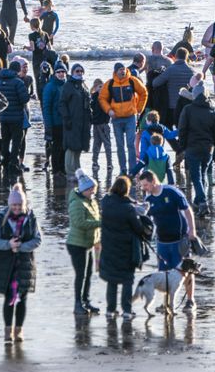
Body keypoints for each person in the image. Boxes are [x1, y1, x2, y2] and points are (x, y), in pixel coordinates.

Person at [138, 170, 197, 310]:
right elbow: (145, 219)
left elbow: (187, 210)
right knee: (164, 273)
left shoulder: (172, 192)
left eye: (145, 185)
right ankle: (167, 303)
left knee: (186, 270)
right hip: (162, 241)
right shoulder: (148, 199)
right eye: (142, 186)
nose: (143, 188)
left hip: (179, 239)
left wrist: (192, 230)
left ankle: (190, 300)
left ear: (153, 181)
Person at [0, 184, 42, 344]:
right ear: (9, 204)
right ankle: (8, 331)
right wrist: (9, 244)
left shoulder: (31, 218)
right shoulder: (1, 218)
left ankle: (19, 330)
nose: (17, 208)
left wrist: (21, 247)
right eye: (14, 205)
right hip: (6, 264)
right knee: (8, 298)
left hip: (25, 264)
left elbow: (38, 239)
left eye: (19, 205)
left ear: (24, 204)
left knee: (22, 298)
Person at [99, 175, 149, 321]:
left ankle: (110, 310)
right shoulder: (128, 209)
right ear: (127, 190)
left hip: (109, 247)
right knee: (127, 279)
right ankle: (126, 310)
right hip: (126, 249)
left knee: (112, 280)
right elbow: (139, 228)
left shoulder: (105, 203)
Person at [178, 83, 215, 217]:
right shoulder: (213, 109)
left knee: (196, 177)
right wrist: (213, 144)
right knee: (201, 175)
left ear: (194, 95)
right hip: (208, 148)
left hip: (192, 146)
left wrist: (183, 146)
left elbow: (182, 129)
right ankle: (197, 202)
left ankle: (202, 202)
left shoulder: (188, 109)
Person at [99, 62, 147, 175]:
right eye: (120, 69)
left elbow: (144, 92)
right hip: (116, 118)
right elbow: (102, 98)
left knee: (130, 144)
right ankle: (123, 169)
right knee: (120, 145)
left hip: (131, 117)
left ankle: (132, 169)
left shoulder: (132, 81)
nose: (122, 71)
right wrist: (109, 110)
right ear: (115, 72)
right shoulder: (110, 84)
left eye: (123, 69)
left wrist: (139, 108)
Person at [67, 172, 101, 315]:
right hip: (77, 244)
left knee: (88, 274)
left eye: (94, 188)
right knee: (81, 275)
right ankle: (77, 303)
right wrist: (101, 223)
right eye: (90, 189)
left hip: (88, 243)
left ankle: (85, 301)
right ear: (83, 189)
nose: (93, 191)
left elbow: (95, 219)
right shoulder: (77, 203)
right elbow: (79, 223)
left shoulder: (91, 201)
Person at [58, 63, 91, 181]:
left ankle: (77, 168)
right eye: (77, 71)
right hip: (72, 120)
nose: (79, 73)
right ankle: (70, 171)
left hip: (83, 121)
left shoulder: (83, 85)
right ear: (72, 72)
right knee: (70, 146)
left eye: (81, 71)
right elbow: (62, 103)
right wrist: (66, 118)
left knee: (79, 146)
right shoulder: (68, 86)